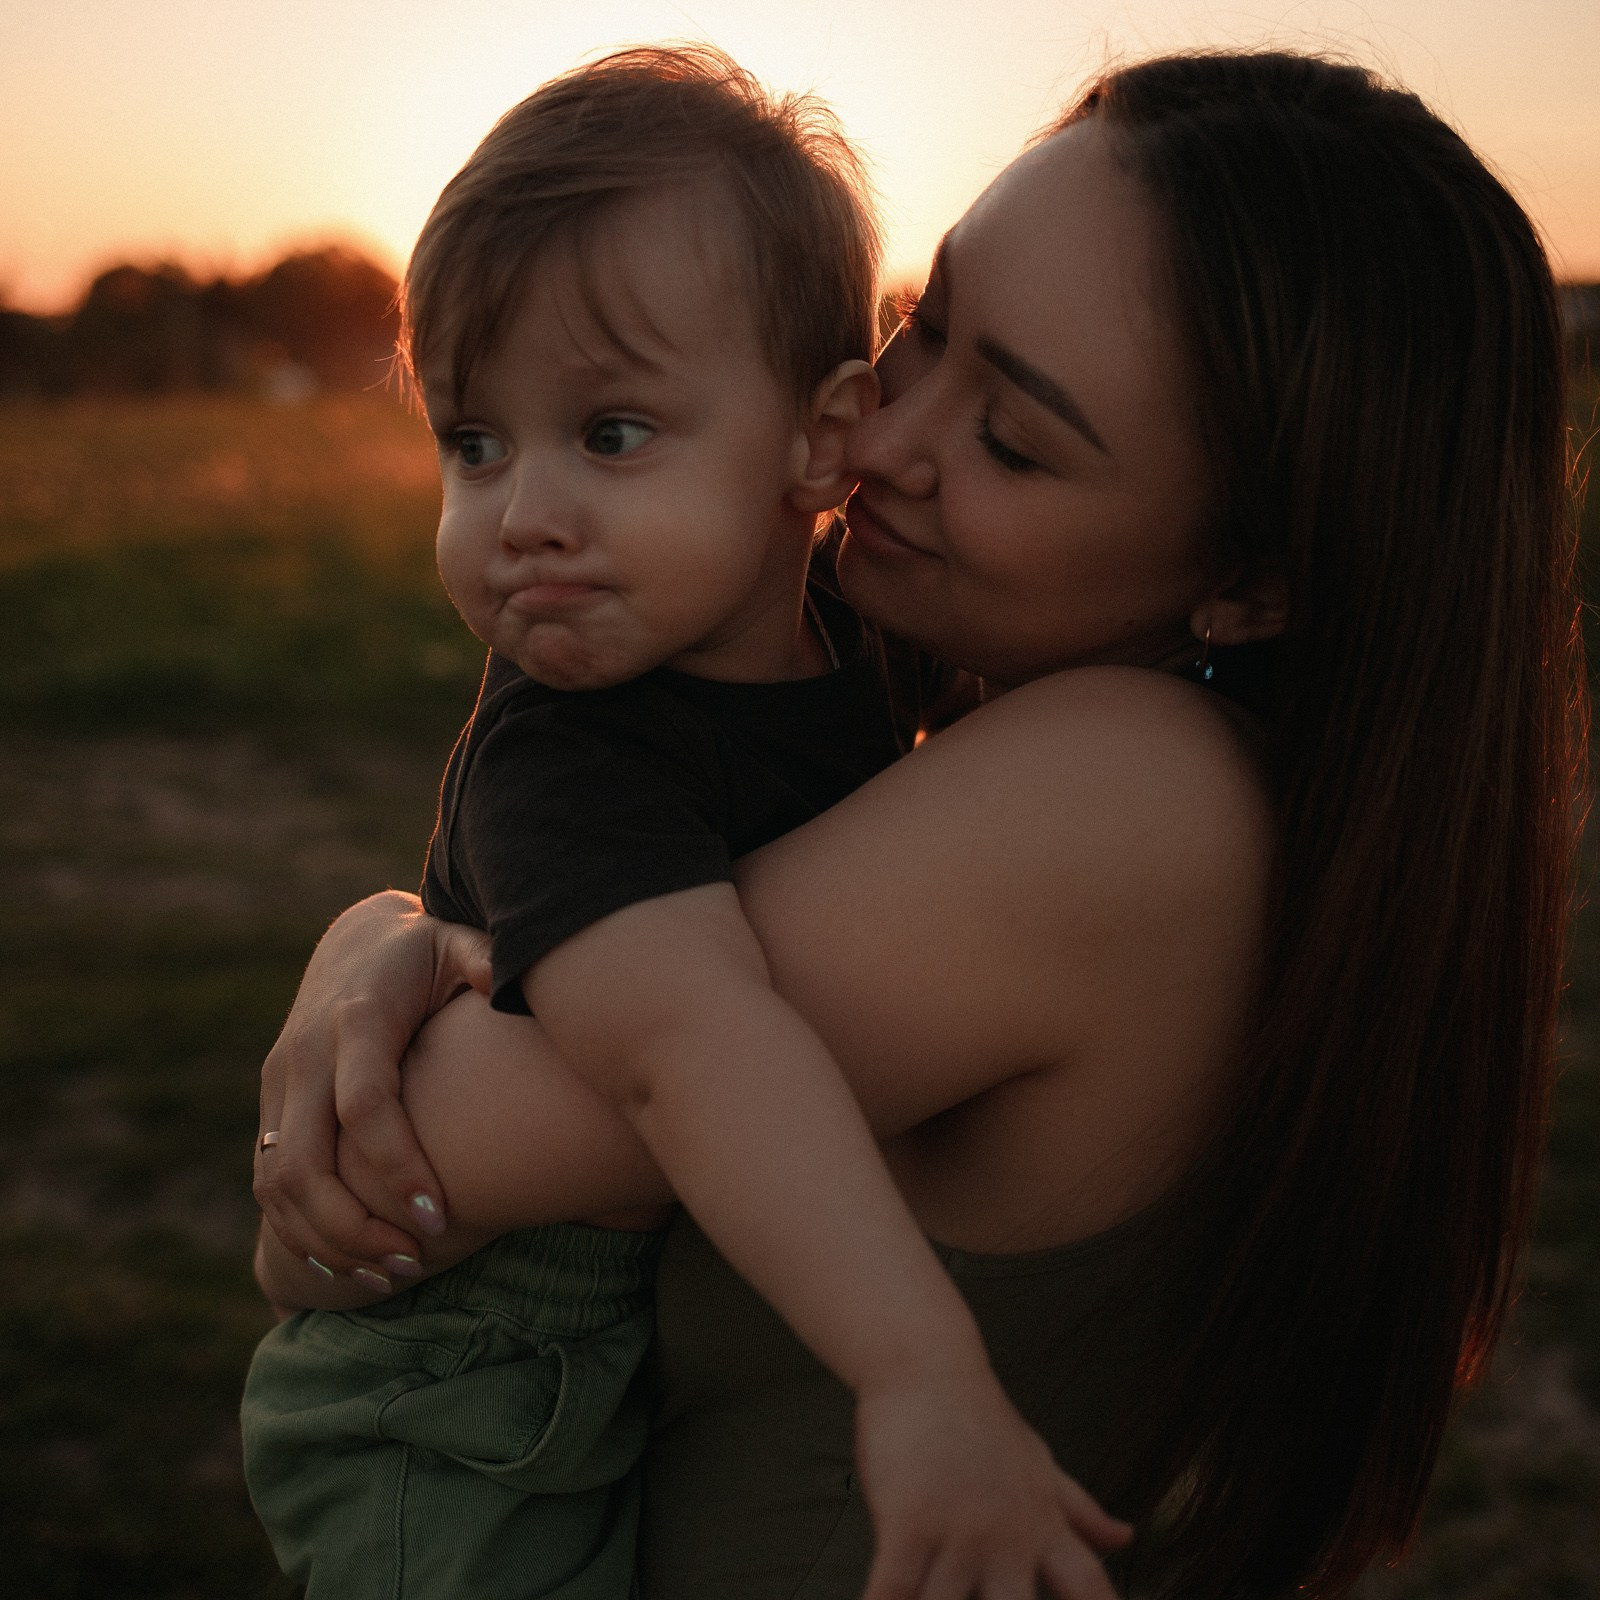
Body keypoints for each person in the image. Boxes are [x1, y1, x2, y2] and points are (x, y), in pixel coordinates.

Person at [253, 48, 1584, 1600]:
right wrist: (397, 939)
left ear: (1250, 583)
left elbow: (371, 1192)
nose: (875, 443)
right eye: (919, 329)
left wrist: (366, 962)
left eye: (1011, 437)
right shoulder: (1018, 730)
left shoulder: (1124, 796)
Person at [242, 45, 1127, 1600]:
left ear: (819, 440)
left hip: (604, 1339)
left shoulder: (858, 642)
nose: (524, 516)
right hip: (456, 1400)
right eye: (473, 442)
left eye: (612, 434)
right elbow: (686, 1049)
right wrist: (920, 1372)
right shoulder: (571, 752)